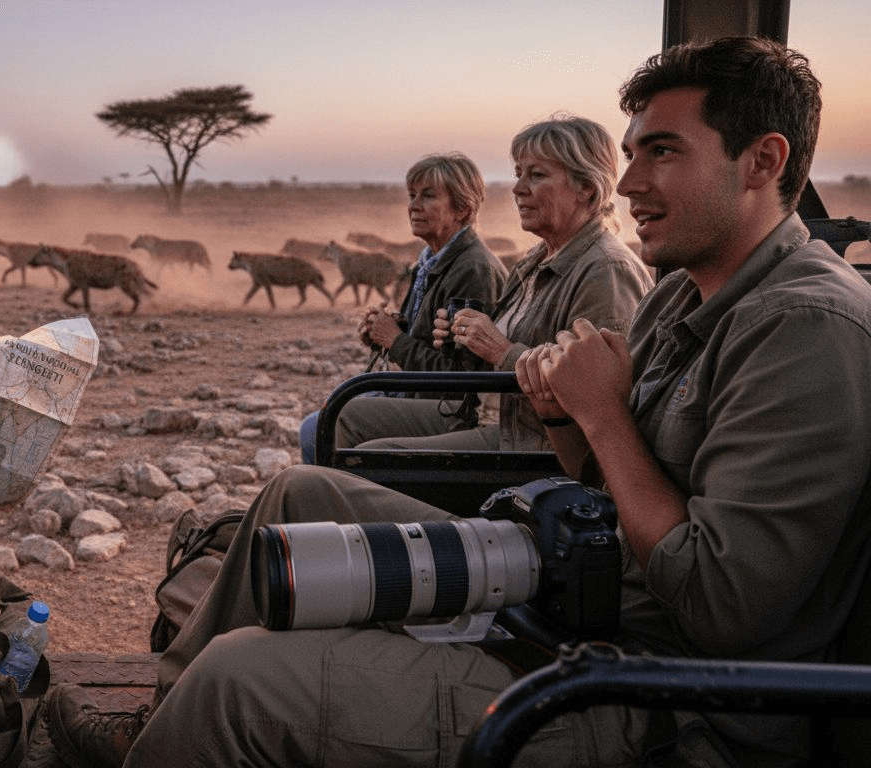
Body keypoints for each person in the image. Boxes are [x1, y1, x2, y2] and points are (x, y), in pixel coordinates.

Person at [45, 37, 871, 767]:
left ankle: (198, 719)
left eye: (661, 152)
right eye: (629, 153)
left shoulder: (803, 328)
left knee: (237, 682)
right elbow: (599, 480)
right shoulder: (682, 294)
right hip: (567, 586)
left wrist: (603, 415)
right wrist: (567, 414)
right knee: (297, 492)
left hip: (655, 693)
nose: (630, 182)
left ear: (762, 161)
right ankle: (160, 721)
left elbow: (722, 610)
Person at [347, 115, 653, 453]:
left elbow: (601, 398)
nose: (518, 188)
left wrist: (500, 350)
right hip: (490, 417)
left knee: (370, 456)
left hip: (532, 446)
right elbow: (482, 358)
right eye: (518, 174)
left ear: (587, 188)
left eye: (537, 175)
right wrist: (460, 338)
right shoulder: (535, 261)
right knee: (347, 414)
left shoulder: (606, 270)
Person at [297, 153, 507, 464]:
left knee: (321, 425)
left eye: (428, 196)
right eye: (412, 195)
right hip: (422, 395)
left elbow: (462, 376)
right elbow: (433, 343)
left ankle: (334, 499)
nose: (413, 206)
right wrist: (388, 331)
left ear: (462, 208)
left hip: (453, 409)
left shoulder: (473, 271)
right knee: (320, 421)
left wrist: (396, 341)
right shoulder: (430, 261)